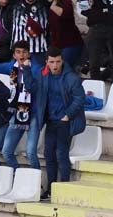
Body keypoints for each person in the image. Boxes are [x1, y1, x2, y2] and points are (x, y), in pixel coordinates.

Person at [36, 48, 87, 200]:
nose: (55, 65)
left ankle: (64, 187)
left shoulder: (71, 78)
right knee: (49, 154)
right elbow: (35, 89)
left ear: (62, 61)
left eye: (58, 61)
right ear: (47, 63)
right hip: (51, 120)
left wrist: (68, 115)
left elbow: (80, 98)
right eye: (51, 62)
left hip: (65, 121)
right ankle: (51, 188)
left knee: (61, 154)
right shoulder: (44, 75)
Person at [0, 40, 41, 171]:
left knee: (30, 153)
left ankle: (36, 184)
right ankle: (18, 178)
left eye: (24, 52)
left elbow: (31, 88)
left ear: (29, 54)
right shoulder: (12, 67)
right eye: (18, 52)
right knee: (6, 152)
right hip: (17, 112)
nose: (21, 55)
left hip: (33, 114)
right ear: (14, 55)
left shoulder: (37, 68)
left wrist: (27, 69)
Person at [12, 0, 51, 72]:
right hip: (19, 51)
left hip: (39, 50)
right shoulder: (15, 5)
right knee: (18, 77)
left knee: (39, 76)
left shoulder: (44, 6)